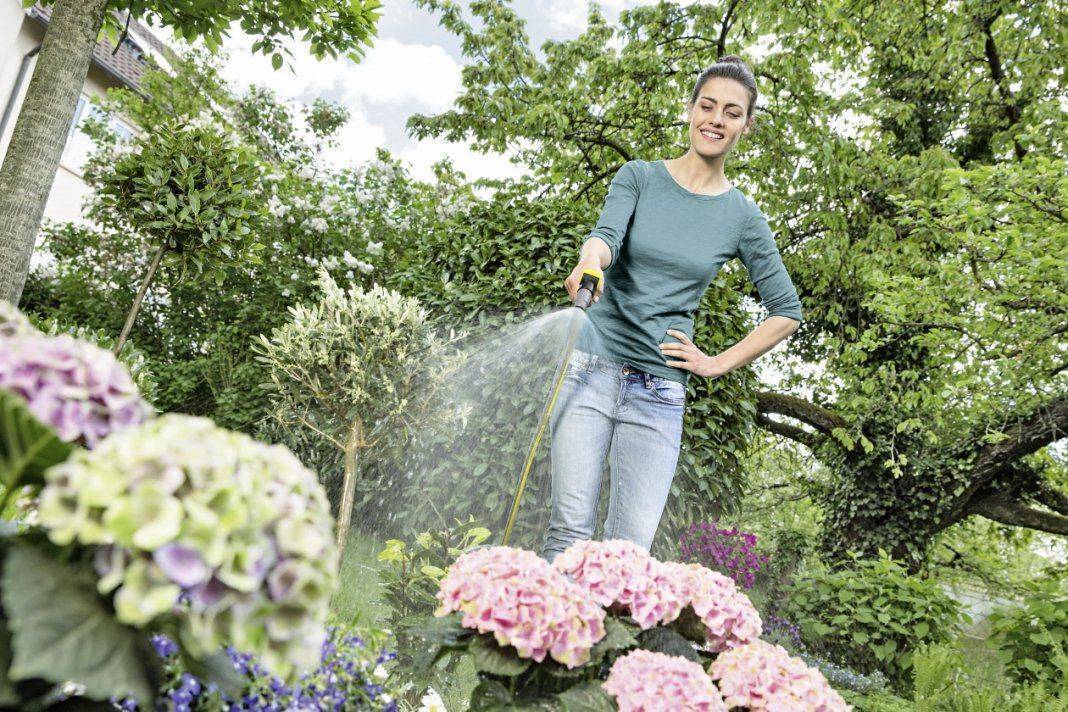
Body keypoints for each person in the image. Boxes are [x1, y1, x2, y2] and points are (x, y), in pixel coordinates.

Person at [540, 55, 803, 564]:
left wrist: (716, 363)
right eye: (707, 106)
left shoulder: (743, 217)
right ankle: (550, 620)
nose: (716, 120)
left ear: (746, 126)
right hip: (589, 370)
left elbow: (785, 312)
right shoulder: (639, 177)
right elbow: (604, 238)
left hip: (658, 393)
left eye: (731, 112)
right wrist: (590, 261)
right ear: (690, 110)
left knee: (627, 555)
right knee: (568, 534)